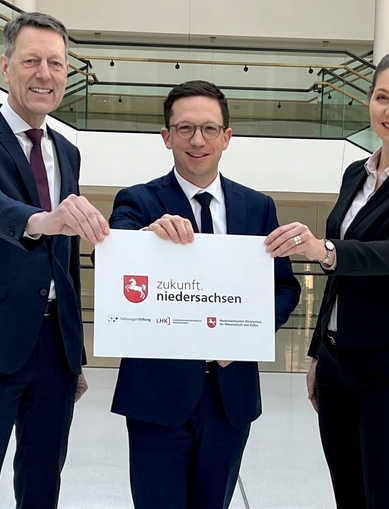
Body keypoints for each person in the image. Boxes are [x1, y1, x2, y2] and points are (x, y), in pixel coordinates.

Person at [265, 50, 389, 509]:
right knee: (348, 497)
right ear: (369, 100)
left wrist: (323, 250)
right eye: (383, 97)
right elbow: (342, 282)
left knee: (388, 498)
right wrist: (318, 353)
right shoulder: (357, 172)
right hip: (337, 363)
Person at [0, 12, 109, 509]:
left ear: (67, 75)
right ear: (5, 66)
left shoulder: (68, 152)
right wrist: (41, 220)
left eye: (56, 64)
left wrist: (73, 351)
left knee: (43, 484)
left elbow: (67, 259)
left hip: (54, 347)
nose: (44, 74)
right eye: (31, 61)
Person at [109, 80, 302, 509]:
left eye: (210, 129)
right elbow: (112, 261)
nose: (198, 140)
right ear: (166, 137)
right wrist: (143, 239)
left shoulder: (258, 207)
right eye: (184, 129)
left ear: (227, 137)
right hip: (157, 398)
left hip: (229, 400)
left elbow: (285, 288)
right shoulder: (139, 201)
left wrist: (247, 334)